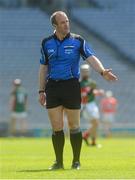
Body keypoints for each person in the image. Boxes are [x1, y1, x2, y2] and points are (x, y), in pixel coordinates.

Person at [38, 11, 118, 170]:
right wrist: (41, 90)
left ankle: (76, 161)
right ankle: (58, 162)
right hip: (53, 87)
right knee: (57, 127)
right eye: (62, 22)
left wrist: (102, 72)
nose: (66, 24)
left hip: (72, 85)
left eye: (67, 21)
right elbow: (43, 68)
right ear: (55, 25)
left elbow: (91, 57)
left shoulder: (78, 41)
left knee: (74, 125)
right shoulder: (46, 43)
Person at [80, 64, 104, 146]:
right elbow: (85, 93)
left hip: (92, 104)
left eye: (86, 71)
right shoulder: (80, 83)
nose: (85, 73)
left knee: (95, 124)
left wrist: (96, 92)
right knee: (96, 123)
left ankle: (91, 140)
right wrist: (97, 92)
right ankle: (86, 136)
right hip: (86, 105)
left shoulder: (92, 82)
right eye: (83, 71)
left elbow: (90, 92)